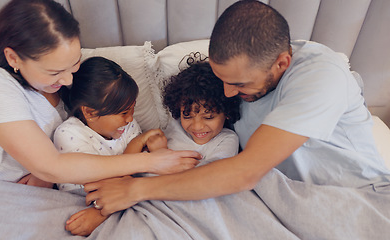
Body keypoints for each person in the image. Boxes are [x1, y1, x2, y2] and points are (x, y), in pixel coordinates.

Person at [83, 0, 390, 217]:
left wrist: (135, 191)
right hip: (270, 195)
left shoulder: (321, 75)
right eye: (222, 81)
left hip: (354, 195)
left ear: (282, 63)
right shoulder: (237, 86)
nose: (228, 93)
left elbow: (245, 173)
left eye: (240, 84)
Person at [0, 0, 200, 190]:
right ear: (13, 58)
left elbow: (50, 170)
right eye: (54, 72)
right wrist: (150, 163)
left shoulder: (70, 84)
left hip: (42, 189)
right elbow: (50, 164)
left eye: (74, 63)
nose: (68, 80)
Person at [66, 60, 242, 236]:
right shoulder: (175, 126)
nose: (197, 126)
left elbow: (210, 179)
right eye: (187, 115)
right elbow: (140, 165)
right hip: (137, 194)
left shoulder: (227, 140)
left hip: (173, 198)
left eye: (209, 117)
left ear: (226, 112)